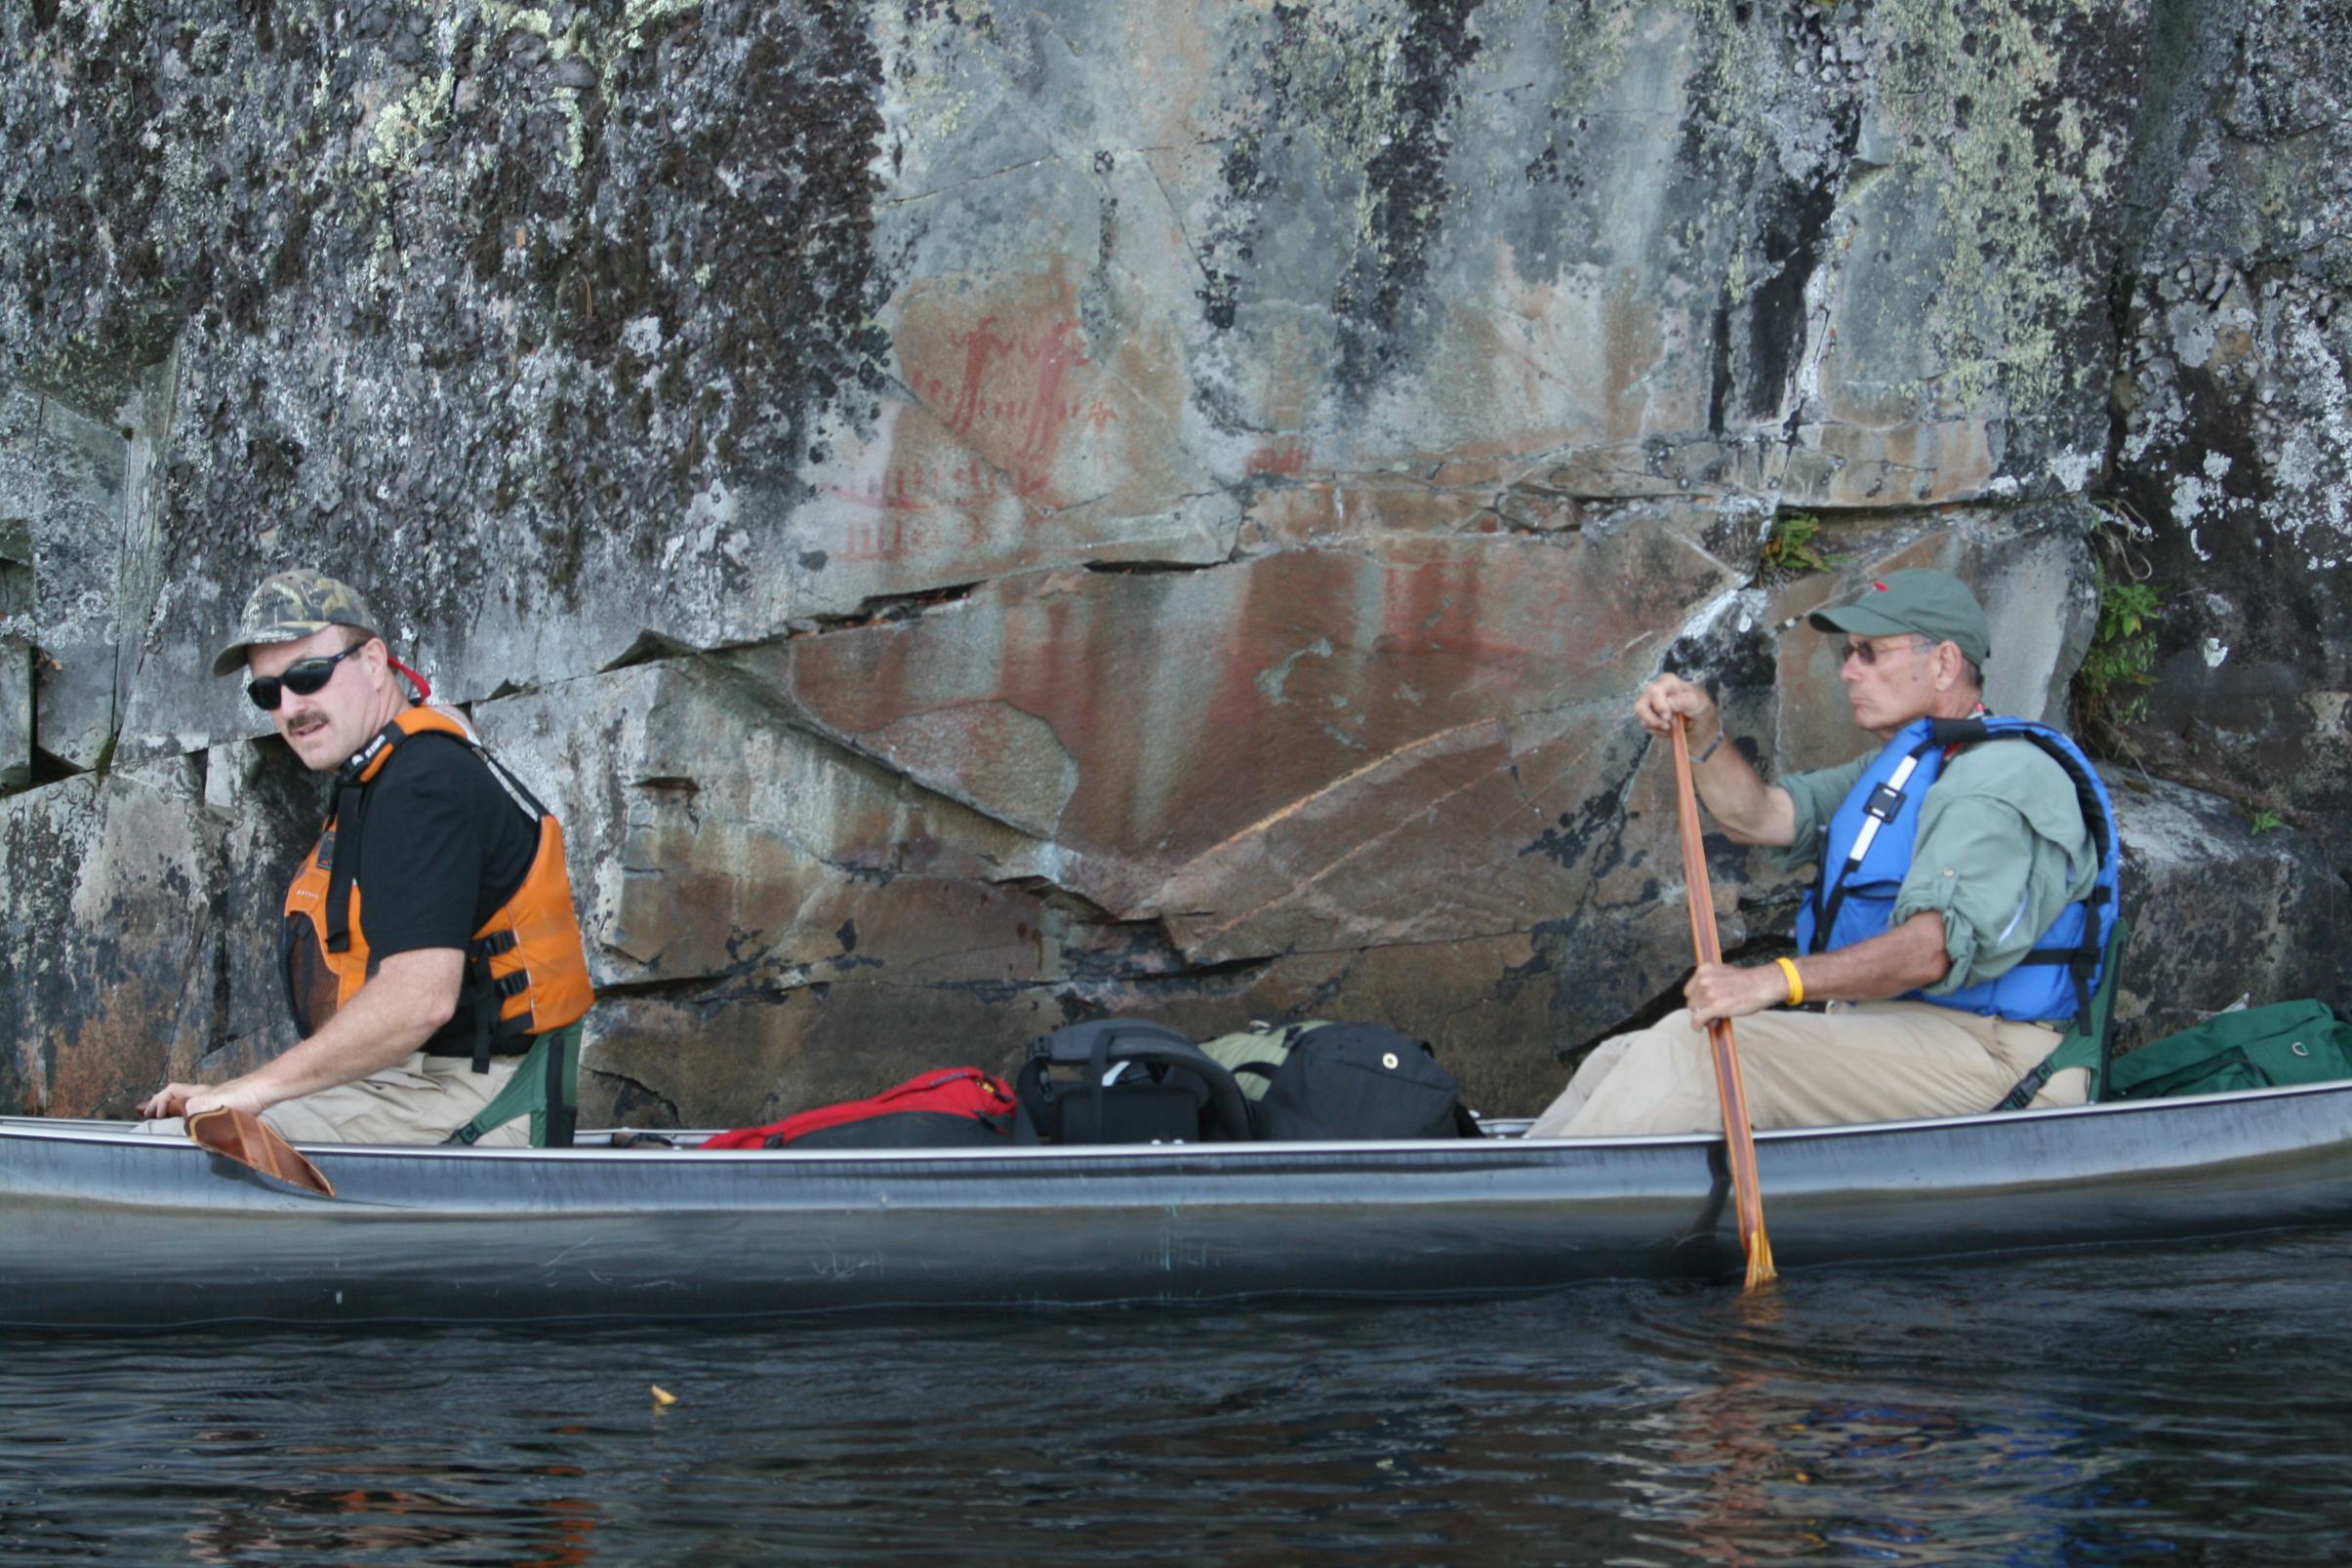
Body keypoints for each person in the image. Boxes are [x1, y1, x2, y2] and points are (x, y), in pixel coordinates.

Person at [1528, 569, 2119, 1138]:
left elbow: (1932, 949)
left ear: (1943, 663)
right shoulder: (1904, 769)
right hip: (1901, 1033)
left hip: (1999, 1055)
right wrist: (1704, 733)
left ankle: (1546, 1201)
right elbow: (1759, 816)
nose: (1848, 672)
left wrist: (1776, 980)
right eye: (1848, 653)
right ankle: (1511, 1182)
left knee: (1689, 1053)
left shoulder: (2005, 776)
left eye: (1871, 653)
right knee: (1619, 1056)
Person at [138, 570, 594, 1146]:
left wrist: (253, 1091)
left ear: (375, 662)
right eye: (268, 693)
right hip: (419, 1083)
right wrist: (236, 1090)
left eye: (309, 675)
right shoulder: (384, 774)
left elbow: (419, 1000)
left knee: (185, 1143)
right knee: (189, 1126)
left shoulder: (422, 782)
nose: (291, 706)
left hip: (489, 1101)